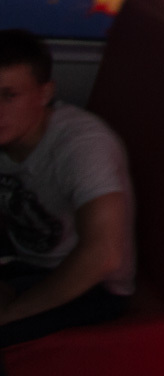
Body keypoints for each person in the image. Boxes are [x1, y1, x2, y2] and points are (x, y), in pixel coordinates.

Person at [0, 29, 134, 350]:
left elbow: (103, 255)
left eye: (9, 95)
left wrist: (10, 312)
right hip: (25, 260)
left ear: (44, 93)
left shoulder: (82, 146)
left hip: (94, 286)